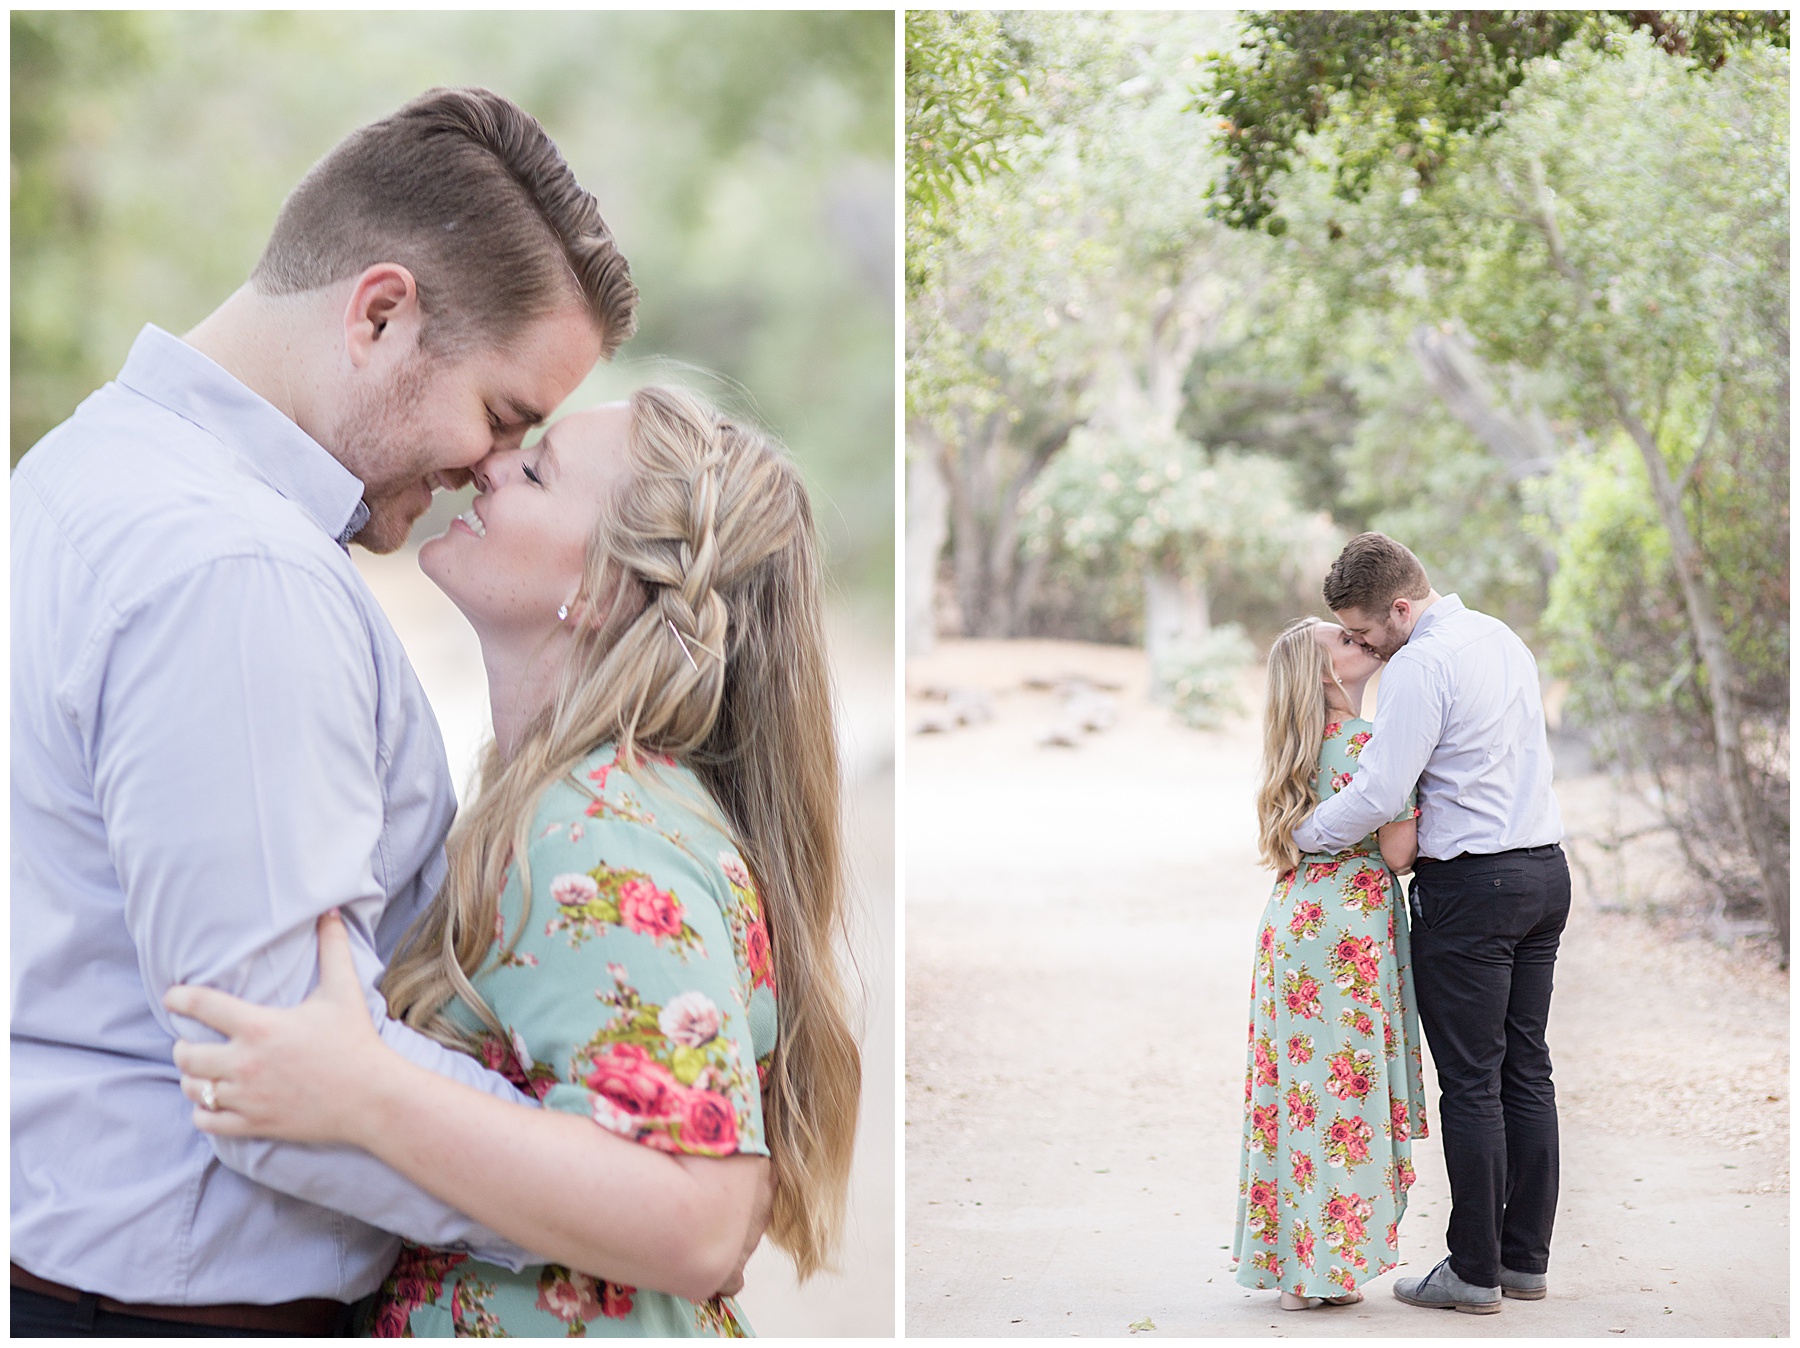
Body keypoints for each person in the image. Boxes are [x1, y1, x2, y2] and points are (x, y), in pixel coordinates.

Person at [11, 88, 650, 1336]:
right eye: (505, 415)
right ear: (378, 312)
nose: (491, 469)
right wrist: (626, 1201)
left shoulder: (81, 467)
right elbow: (281, 1079)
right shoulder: (235, 573)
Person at [163, 386, 861, 1336]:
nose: (489, 463)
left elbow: (698, 1221)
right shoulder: (576, 804)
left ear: (606, 589)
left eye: (536, 471)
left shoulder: (599, 830)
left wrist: (362, 1089)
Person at [1292, 533, 1568, 1315]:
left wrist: (1303, 836)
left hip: (1475, 888)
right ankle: (1522, 1262)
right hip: (1545, 871)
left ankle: (1473, 1269)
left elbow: (1381, 792)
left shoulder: (1419, 662)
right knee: (1526, 1068)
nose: (1368, 645)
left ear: (1402, 607)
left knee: (1473, 1082)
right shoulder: (1501, 636)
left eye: (1367, 628)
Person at [1233, 616, 1429, 1309]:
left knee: (1298, 1097)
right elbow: (1401, 853)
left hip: (1292, 926)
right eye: (1343, 641)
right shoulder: (1367, 745)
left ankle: (1300, 1267)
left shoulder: (1295, 752)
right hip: (1346, 934)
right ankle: (1318, 1272)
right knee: (1340, 1101)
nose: (1360, 641)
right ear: (1323, 674)